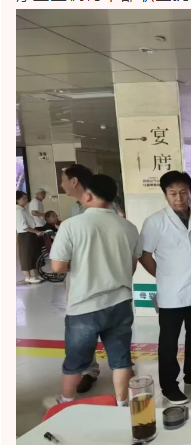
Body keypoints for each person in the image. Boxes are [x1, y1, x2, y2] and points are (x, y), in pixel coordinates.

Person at [48, 175, 142, 407]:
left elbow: (58, 267)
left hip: (84, 306)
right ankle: (122, 404)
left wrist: (83, 265)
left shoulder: (72, 225)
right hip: (120, 302)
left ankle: (66, 402)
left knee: (75, 362)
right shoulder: (128, 227)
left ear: (88, 196)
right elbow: (131, 266)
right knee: (121, 360)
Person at [140, 171, 191, 405]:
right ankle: (169, 386)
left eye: (183, 192)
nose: (179, 198)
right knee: (169, 341)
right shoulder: (155, 221)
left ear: (190, 192)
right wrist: (163, 276)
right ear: (165, 195)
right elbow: (144, 255)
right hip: (171, 293)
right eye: (173, 193)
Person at [60, 164, 125, 392]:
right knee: (84, 332)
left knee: (106, 330)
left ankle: (113, 371)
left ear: (75, 182)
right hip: (80, 281)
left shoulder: (106, 204)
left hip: (106, 284)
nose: (61, 184)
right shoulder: (74, 211)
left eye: (63, 180)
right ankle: (90, 370)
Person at [16, 191, 45, 284]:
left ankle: (34, 275)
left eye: (26, 198)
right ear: (17, 200)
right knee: (26, 256)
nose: (26, 200)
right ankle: (27, 277)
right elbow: (23, 226)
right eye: (23, 198)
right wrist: (37, 231)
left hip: (29, 234)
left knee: (33, 254)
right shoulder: (18, 211)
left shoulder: (23, 209)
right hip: (24, 235)